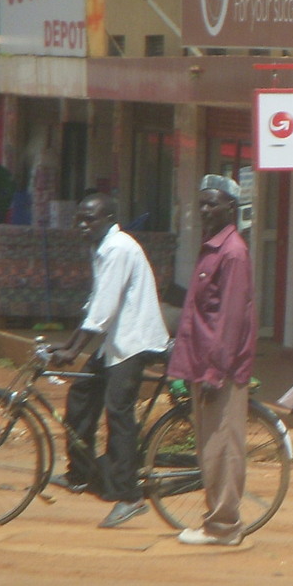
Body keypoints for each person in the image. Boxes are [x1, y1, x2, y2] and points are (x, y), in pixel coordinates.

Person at [49, 193, 172, 528]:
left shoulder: (118, 248)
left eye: (90, 218)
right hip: (115, 342)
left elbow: (103, 310)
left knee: (118, 414)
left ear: (109, 219)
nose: (83, 224)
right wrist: (69, 345)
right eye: (79, 219)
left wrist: (73, 350)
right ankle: (80, 474)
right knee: (81, 395)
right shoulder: (102, 247)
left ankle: (130, 496)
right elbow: (95, 304)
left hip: (135, 341)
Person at [167, 175, 258, 546]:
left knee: (223, 449)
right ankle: (215, 521)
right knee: (209, 448)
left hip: (220, 370)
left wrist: (214, 372)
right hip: (200, 362)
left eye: (212, 203)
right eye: (201, 203)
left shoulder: (233, 252)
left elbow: (231, 320)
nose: (204, 210)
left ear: (230, 208)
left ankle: (224, 526)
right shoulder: (211, 248)